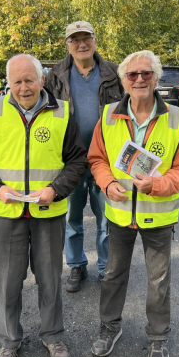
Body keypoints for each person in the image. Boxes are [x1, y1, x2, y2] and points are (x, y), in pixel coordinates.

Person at [0, 54, 88, 357]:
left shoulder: (62, 113)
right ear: (9, 83)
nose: (23, 87)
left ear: (42, 80)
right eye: (16, 81)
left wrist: (55, 189)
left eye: (29, 80)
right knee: (7, 282)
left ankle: (53, 336)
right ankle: (9, 343)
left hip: (48, 213)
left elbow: (77, 160)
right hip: (5, 213)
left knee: (50, 280)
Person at [86, 50, 179, 357]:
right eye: (132, 74)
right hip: (119, 215)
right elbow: (97, 159)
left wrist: (158, 185)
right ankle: (109, 329)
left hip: (159, 216)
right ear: (122, 80)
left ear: (156, 79)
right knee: (112, 276)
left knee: (158, 281)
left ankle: (158, 338)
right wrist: (107, 185)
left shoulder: (175, 119)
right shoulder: (108, 116)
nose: (139, 79)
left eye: (145, 74)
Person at [45, 21, 124, 292]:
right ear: (67, 44)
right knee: (71, 219)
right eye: (74, 39)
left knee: (107, 219)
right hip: (70, 161)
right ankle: (76, 265)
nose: (81, 44)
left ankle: (105, 268)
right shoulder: (54, 76)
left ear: (95, 40)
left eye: (86, 38)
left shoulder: (115, 72)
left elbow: (129, 112)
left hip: (106, 160)